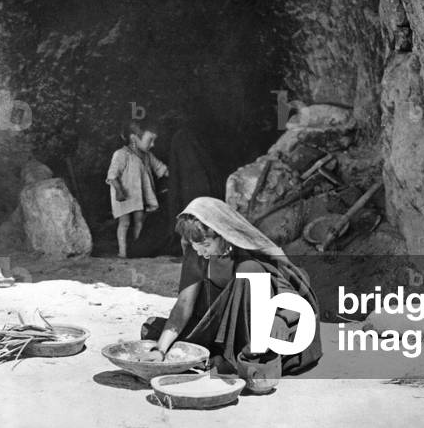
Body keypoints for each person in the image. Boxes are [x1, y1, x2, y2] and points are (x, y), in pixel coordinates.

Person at [148, 197, 322, 390]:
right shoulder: (196, 254)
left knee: (250, 270)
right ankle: (224, 357)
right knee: (158, 334)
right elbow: (183, 308)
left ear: (222, 234)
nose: (198, 251)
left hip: (259, 331)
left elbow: (291, 297)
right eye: (194, 244)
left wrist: (278, 324)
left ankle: (250, 363)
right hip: (220, 329)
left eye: (205, 244)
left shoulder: (249, 256)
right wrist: (160, 350)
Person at [106, 120, 168, 258]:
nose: (153, 145)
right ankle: (122, 251)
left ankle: (137, 249)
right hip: (123, 195)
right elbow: (112, 175)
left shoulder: (147, 156)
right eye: (150, 140)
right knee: (125, 222)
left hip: (139, 196)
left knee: (140, 221)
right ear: (134, 138)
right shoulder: (121, 154)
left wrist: (170, 172)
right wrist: (119, 190)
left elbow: (160, 168)